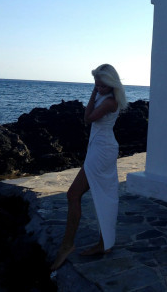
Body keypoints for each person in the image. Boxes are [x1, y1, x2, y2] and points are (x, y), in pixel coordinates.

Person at [51, 64, 127, 271]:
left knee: (74, 194)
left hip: (102, 151)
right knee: (104, 195)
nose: (99, 88)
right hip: (98, 147)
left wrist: (94, 93)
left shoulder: (110, 102)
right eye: (96, 84)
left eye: (102, 85)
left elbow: (87, 118)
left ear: (112, 84)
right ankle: (104, 243)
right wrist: (96, 90)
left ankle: (68, 245)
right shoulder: (105, 96)